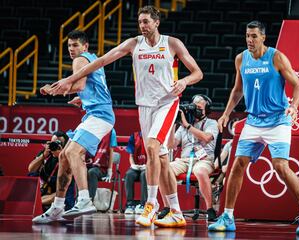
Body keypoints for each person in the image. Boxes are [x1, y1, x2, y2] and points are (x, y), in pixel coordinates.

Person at [47, 5, 203, 228]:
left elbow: (198, 73)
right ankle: (176, 212)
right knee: (159, 158)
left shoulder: (172, 43)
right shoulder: (134, 44)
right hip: (144, 106)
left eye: (147, 21)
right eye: (140, 22)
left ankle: (151, 204)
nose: (143, 26)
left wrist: (184, 81)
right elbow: (100, 61)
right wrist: (69, 81)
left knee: (150, 147)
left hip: (167, 103)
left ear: (157, 22)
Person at [208, 21, 299, 235]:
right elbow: (238, 89)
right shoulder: (241, 58)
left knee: (280, 166)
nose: (250, 40)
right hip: (253, 121)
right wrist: (225, 113)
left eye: (254, 36)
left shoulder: (276, 57)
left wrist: (294, 106)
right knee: (238, 164)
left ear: (263, 38)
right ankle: (228, 216)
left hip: (278, 120)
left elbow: (298, 85)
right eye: (247, 36)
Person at [33, 30, 115, 224]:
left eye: (75, 45)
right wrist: (83, 99)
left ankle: (85, 199)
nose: (71, 49)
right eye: (69, 46)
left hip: (100, 115)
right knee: (63, 156)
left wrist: (52, 89)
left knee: (73, 153)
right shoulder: (93, 59)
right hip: (95, 113)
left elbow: (78, 84)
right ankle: (58, 207)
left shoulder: (80, 59)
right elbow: (90, 87)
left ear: (85, 46)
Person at [160, 94, 219, 221]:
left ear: (206, 110)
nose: (195, 110)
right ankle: (168, 207)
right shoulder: (182, 126)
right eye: (194, 107)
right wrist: (173, 124)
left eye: (199, 107)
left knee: (200, 171)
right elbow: (171, 145)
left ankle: (210, 209)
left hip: (204, 160)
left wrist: (187, 125)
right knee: (162, 169)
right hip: (184, 160)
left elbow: (207, 138)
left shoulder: (211, 123)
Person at [28, 131, 75, 211]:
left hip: (61, 191)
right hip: (46, 188)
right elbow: (31, 169)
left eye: (58, 143)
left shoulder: (68, 156)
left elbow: (70, 175)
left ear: (65, 145)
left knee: (61, 194)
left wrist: (61, 157)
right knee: (31, 176)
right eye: (53, 142)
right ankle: (38, 202)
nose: (55, 145)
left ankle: (34, 202)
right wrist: (43, 156)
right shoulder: (46, 153)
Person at [124, 131, 147, 215]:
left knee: (144, 175)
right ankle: (130, 205)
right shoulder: (134, 136)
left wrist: (147, 166)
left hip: (147, 167)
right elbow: (131, 155)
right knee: (129, 175)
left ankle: (143, 205)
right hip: (136, 166)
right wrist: (133, 165)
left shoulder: (151, 136)